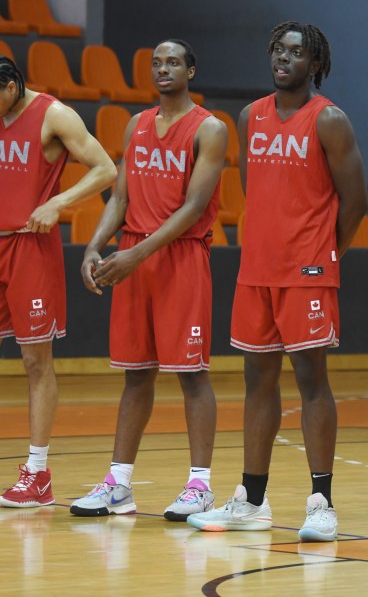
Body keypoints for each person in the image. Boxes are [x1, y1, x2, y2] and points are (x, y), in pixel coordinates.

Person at [187, 22, 367, 542]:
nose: (283, 59)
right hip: (256, 270)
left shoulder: (329, 120)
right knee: (256, 379)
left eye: (296, 52)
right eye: (277, 50)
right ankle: (252, 499)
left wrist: (323, 254)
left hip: (307, 272)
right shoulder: (249, 116)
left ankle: (321, 503)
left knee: (312, 381)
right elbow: (258, 190)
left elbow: (356, 202)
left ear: (315, 64)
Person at [69, 40, 226, 520]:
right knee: (135, 376)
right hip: (135, 258)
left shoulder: (211, 128)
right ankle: (119, 483)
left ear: (191, 70)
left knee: (192, 375)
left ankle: (201, 485)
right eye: (157, 63)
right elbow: (119, 198)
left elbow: (194, 207)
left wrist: (135, 253)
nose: (163, 69)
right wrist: (95, 245)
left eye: (173, 62)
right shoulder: (137, 125)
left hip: (178, 259)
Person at [0, 56, 117, 507]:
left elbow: (106, 168)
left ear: (10, 86)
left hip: (29, 245)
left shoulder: (54, 115)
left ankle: (37, 473)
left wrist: (59, 202)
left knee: (35, 363)